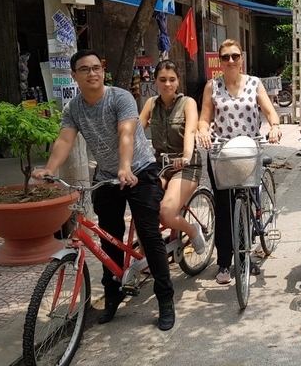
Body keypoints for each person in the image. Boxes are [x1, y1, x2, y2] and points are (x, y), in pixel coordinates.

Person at [32, 49, 176, 331]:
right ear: (74, 76)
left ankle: (165, 299)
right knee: (109, 238)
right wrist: (50, 169)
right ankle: (112, 296)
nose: (92, 73)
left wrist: (126, 167)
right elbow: (64, 139)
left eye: (97, 67)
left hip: (140, 170)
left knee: (149, 234)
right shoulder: (73, 108)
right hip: (107, 175)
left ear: (103, 71)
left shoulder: (119, 97)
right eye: (84, 69)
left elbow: (126, 132)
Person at [196, 39, 282, 285]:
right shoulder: (212, 86)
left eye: (235, 56)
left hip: (248, 151)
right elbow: (204, 118)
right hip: (221, 152)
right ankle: (224, 262)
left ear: (242, 58)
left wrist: (275, 126)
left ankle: (244, 257)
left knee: (244, 203)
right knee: (224, 208)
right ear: (219, 61)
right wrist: (202, 130)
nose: (231, 60)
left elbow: (269, 111)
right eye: (226, 57)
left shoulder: (255, 84)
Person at [139, 60, 206, 256]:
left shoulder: (188, 103)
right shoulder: (150, 103)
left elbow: (191, 132)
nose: (167, 84)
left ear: (178, 82)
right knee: (143, 206)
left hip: (186, 166)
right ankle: (148, 254)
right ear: (155, 82)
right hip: (160, 165)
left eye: (171, 79)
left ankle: (193, 230)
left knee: (166, 214)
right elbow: (134, 131)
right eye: (162, 80)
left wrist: (185, 156)